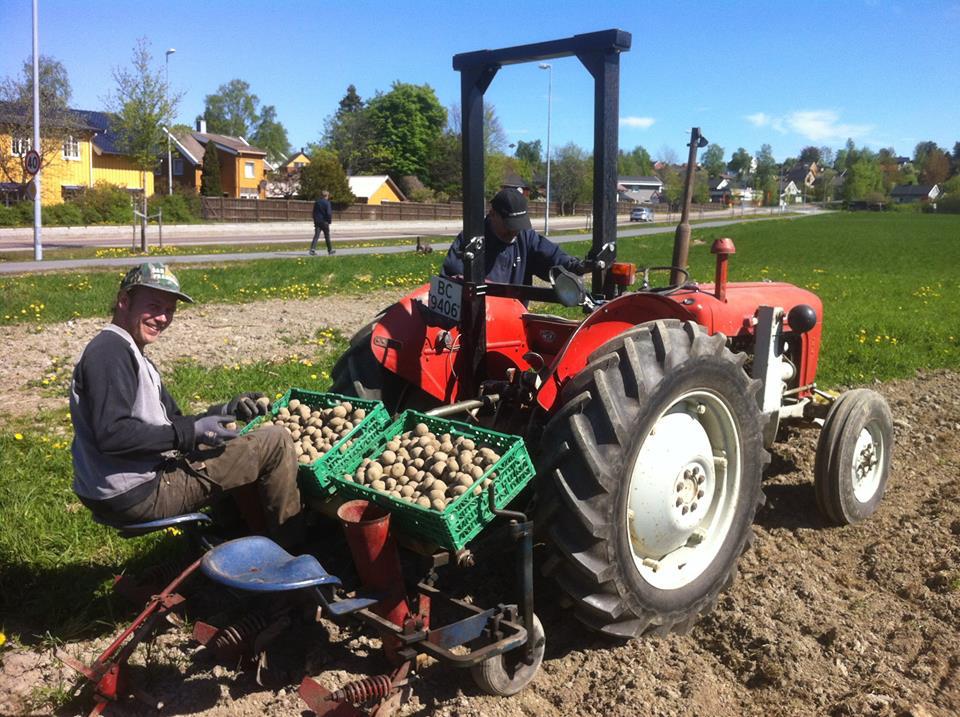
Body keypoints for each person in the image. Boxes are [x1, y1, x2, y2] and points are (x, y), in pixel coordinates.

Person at [69, 262, 303, 546]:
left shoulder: (132, 354)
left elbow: (175, 423)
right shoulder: (109, 352)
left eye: (169, 310)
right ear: (124, 301)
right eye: (154, 306)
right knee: (275, 440)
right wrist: (191, 433)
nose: (162, 318)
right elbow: (113, 434)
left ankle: (233, 534)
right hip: (136, 492)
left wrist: (225, 412)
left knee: (219, 442)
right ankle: (292, 548)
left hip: (123, 486)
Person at [442, 188, 586, 285]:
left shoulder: (526, 237)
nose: (514, 232)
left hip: (514, 319)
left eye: (518, 226)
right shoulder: (472, 239)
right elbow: (450, 279)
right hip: (481, 318)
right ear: (492, 214)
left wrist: (577, 267)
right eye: (509, 225)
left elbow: (551, 257)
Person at [310, 190, 334, 255]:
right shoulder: (327, 203)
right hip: (324, 221)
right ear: (327, 196)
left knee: (316, 236)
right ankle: (330, 250)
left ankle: (312, 249)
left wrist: (315, 220)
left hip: (318, 221)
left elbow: (314, 213)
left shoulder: (317, 202)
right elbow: (329, 213)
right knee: (327, 236)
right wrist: (329, 221)